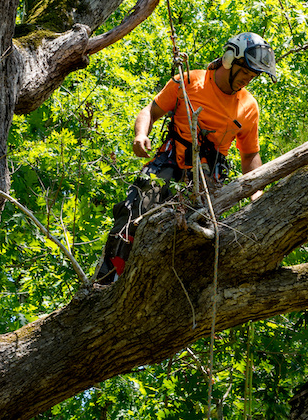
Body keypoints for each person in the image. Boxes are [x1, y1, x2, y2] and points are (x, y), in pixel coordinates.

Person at [94, 32, 278, 285]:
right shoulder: (190, 81)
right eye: (245, 71)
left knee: (197, 238)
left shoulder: (248, 107)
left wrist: (256, 193)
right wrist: (140, 135)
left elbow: (250, 155)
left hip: (207, 177)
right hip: (169, 162)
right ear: (228, 59)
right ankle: (106, 281)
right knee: (132, 214)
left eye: (254, 74)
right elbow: (151, 110)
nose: (248, 78)